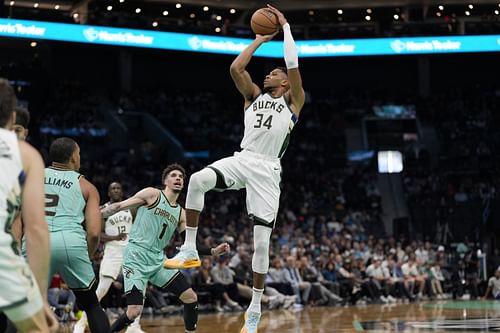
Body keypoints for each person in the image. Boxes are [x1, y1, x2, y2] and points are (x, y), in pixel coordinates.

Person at [164, 5, 305, 333]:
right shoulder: (253, 95)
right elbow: (235, 68)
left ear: (285, 82)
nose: (268, 74)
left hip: (268, 171)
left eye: (274, 73)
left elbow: (294, 64)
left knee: (261, 244)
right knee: (197, 180)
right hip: (243, 157)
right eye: (268, 72)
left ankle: (254, 308)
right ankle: (189, 248)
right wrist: (258, 40)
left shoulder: (294, 100)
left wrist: (284, 27)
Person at [99, 163, 230, 333]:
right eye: (174, 175)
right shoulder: (152, 194)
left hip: (158, 260)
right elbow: (119, 206)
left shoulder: (182, 213)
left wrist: (213, 251)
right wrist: (95, 215)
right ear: (165, 181)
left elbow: (189, 244)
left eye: (181, 177)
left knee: (191, 297)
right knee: (133, 312)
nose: (178, 179)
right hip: (135, 257)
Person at [0, 78, 58, 332]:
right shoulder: (27, 154)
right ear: (13, 116)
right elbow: (36, 229)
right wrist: (41, 298)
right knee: (39, 328)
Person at [45, 137, 110, 333]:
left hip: (35, 240)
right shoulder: (87, 187)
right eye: (79, 153)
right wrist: (87, 255)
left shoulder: (31, 176)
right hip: (70, 242)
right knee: (91, 305)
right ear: (74, 157)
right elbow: (93, 232)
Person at [74, 182, 144, 333]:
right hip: (112, 252)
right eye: (113, 188)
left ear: (122, 191)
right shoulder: (102, 210)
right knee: (102, 289)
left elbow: (138, 228)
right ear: (108, 193)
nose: (116, 190)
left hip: (130, 252)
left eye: (119, 188)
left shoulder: (130, 208)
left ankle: (134, 326)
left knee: (138, 288)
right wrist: (114, 237)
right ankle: (81, 322)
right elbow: (97, 234)